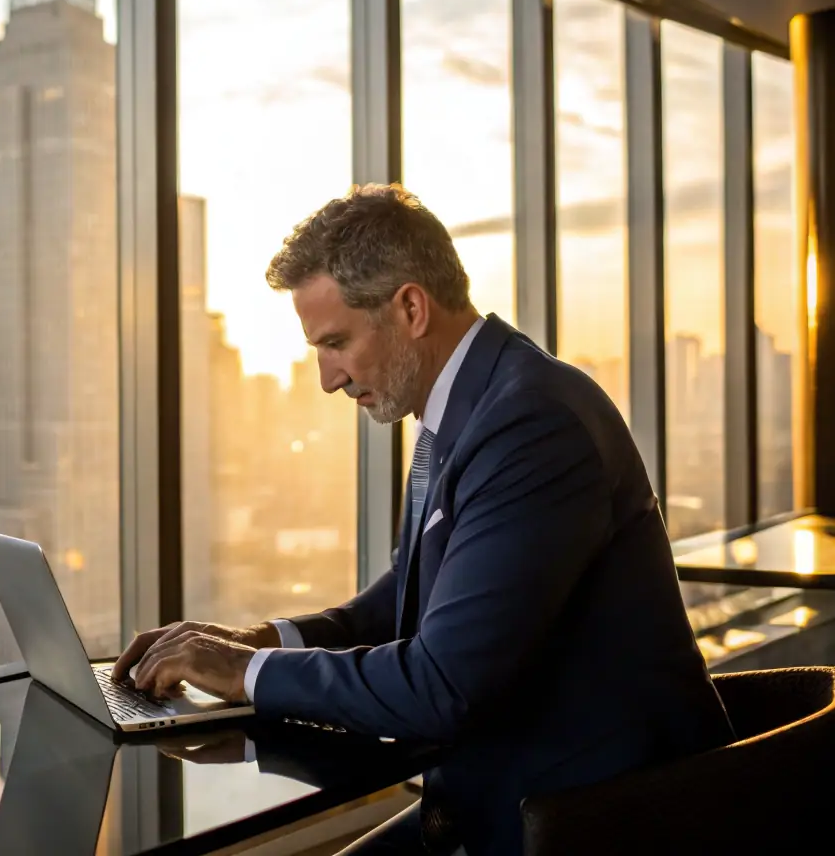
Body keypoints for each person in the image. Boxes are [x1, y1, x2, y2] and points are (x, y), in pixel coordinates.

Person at [112, 184, 734, 855]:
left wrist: (244, 673)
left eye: (336, 342)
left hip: (599, 817)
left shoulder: (531, 423)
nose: (327, 378)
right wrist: (260, 640)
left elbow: (441, 686)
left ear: (409, 307)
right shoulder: (467, 409)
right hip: (510, 791)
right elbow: (403, 602)